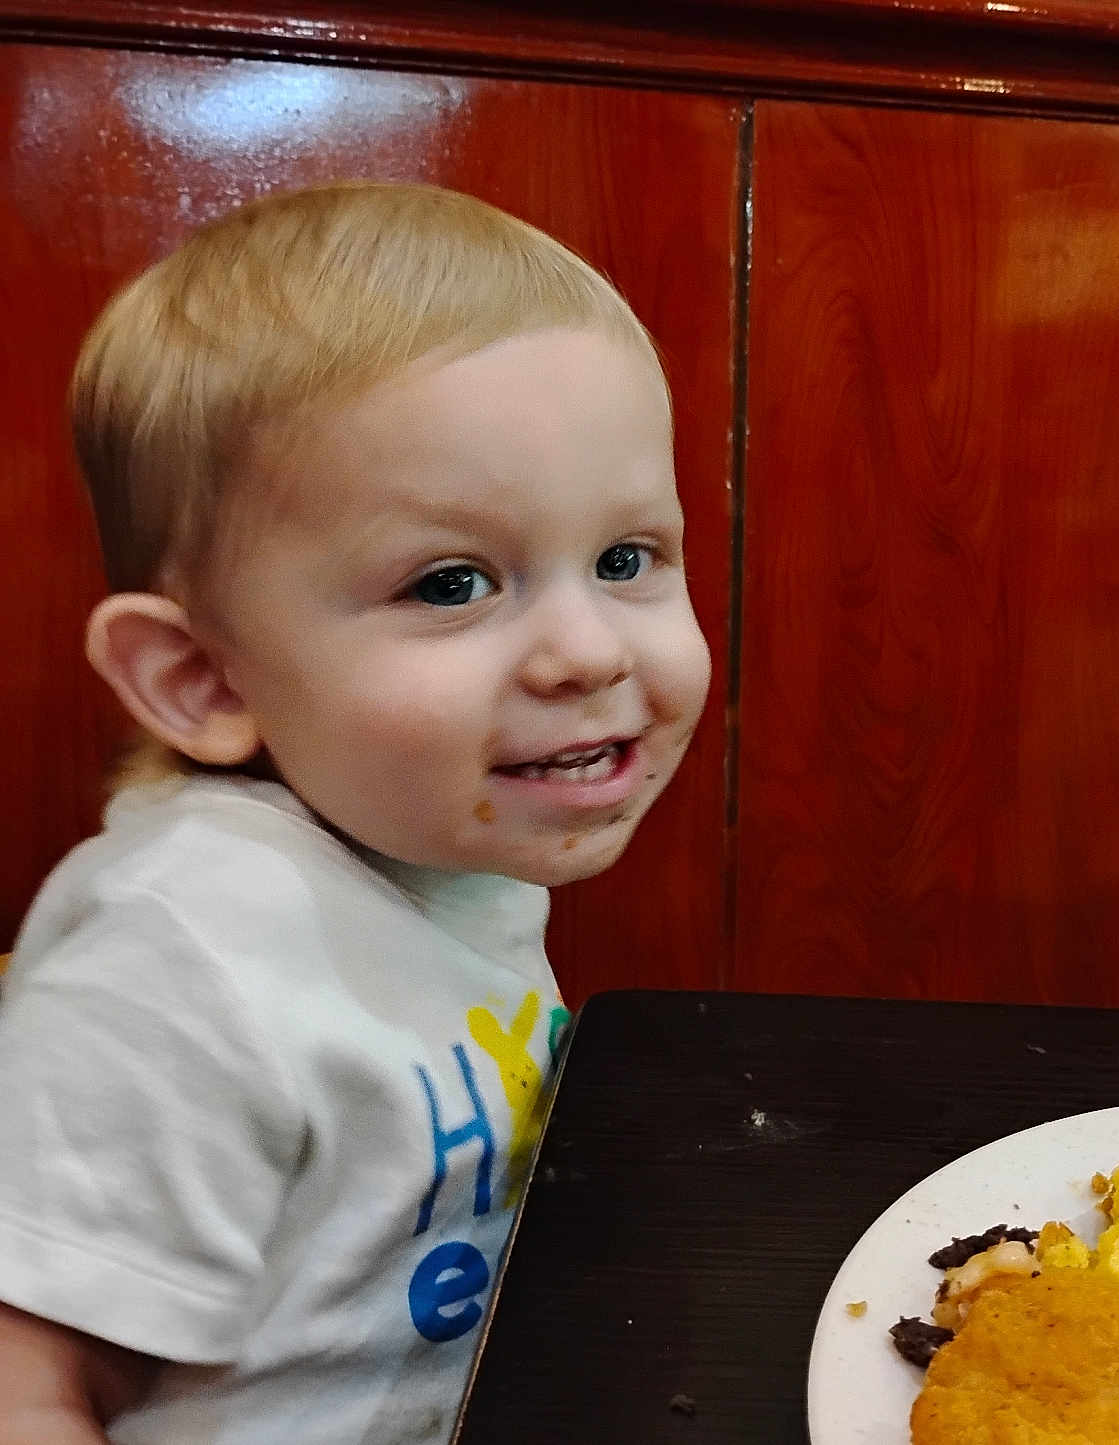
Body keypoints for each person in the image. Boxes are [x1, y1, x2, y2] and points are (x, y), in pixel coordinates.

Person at [0, 181, 711, 1444]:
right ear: (204, 680)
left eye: (624, 557)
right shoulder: (180, 964)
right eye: (451, 581)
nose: (586, 649)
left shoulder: (421, 838)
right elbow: (25, 1375)